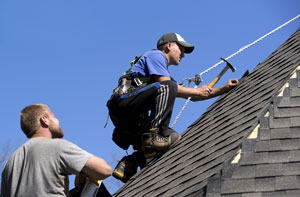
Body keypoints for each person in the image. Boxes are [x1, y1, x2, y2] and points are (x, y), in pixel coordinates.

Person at [107, 33, 238, 182]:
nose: (183, 54)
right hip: (123, 103)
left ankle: (130, 163)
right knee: (167, 89)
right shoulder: (156, 56)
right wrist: (196, 90)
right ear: (168, 46)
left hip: (131, 118)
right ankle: (152, 136)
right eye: (181, 49)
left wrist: (224, 88)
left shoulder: (163, 80)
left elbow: (193, 96)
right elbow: (170, 87)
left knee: (172, 137)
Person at [1, 104, 112, 197]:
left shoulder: (10, 164)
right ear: (44, 120)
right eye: (53, 117)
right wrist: (84, 172)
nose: (58, 120)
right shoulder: (56, 146)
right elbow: (104, 170)